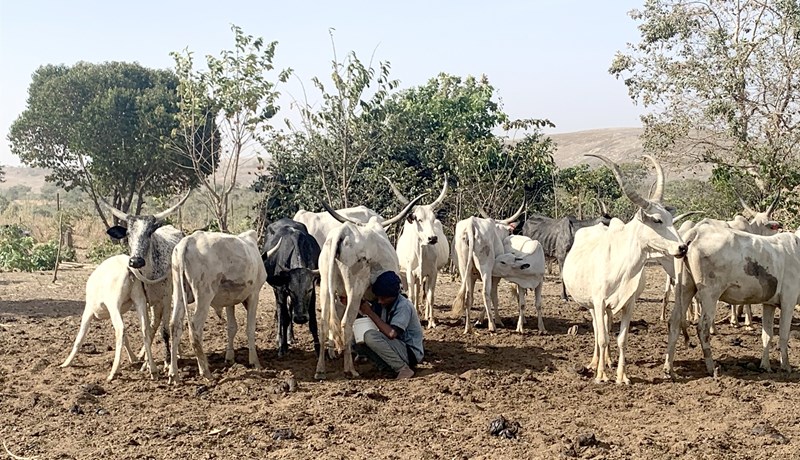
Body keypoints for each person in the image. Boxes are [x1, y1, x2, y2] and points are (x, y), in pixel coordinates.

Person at [355, 271, 424, 379]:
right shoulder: (385, 304)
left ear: (394, 295)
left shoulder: (403, 306)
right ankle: (386, 367)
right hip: (396, 346)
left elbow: (392, 333)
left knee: (370, 336)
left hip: (410, 352)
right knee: (357, 338)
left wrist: (370, 312)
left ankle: (403, 368)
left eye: (383, 298)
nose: (380, 301)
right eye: (378, 298)